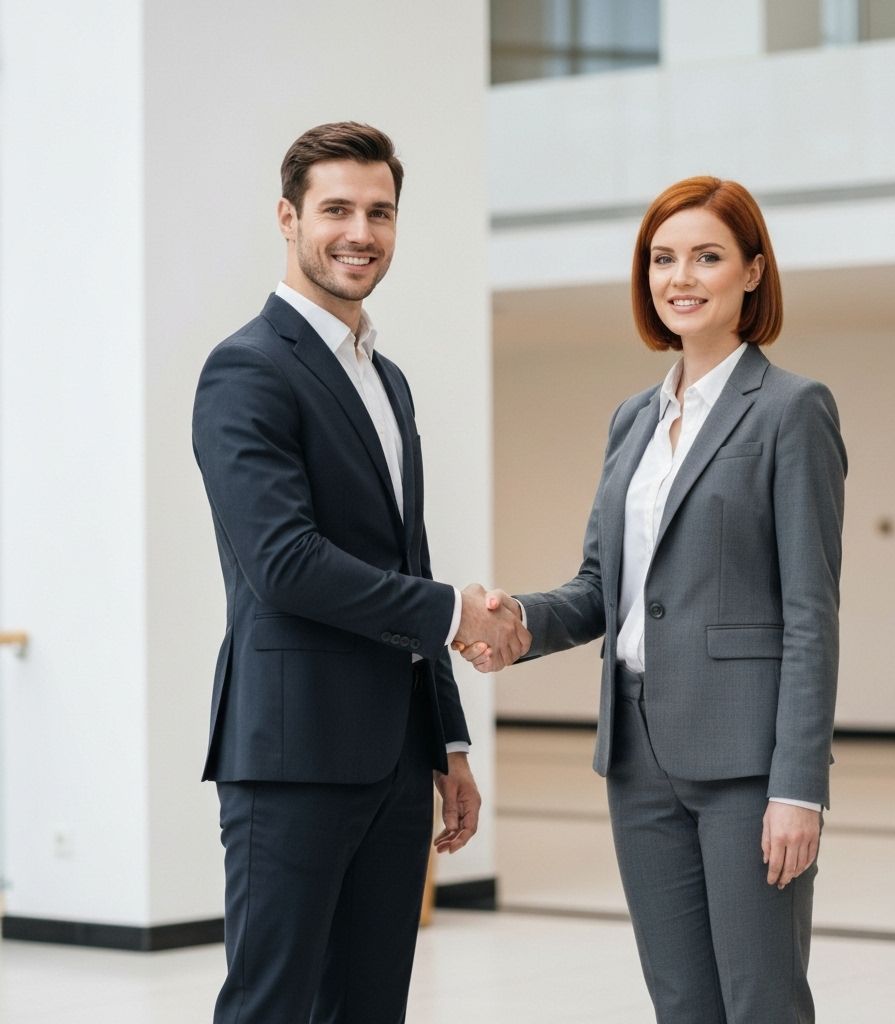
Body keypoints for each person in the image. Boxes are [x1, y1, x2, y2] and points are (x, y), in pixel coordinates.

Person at [459, 176, 846, 1023]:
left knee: (761, 1001)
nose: (681, 277)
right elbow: (606, 587)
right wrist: (520, 622)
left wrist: (799, 787)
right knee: (680, 1001)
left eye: (707, 256)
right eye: (662, 259)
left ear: (751, 271)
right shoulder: (632, 419)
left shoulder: (791, 410)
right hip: (636, 756)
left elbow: (811, 615)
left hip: (746, 761)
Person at [192, 121, 529, 1024]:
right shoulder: (247, 369)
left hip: (392, 760)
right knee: (272, 1005)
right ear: (288, 218)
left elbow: (403, 562)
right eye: (336, 209)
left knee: (372, 1007)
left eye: (380, 212)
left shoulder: (389, 380)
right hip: (291, 754)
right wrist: (457, 606)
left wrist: (447, 741)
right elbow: (285, 565)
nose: (361, 232)